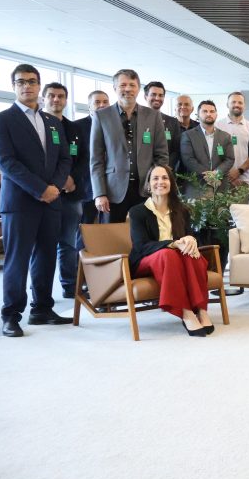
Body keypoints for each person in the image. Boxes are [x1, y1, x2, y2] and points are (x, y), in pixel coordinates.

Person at [0, 64, 73, 337]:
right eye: (21, 82)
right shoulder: (1, 120)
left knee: (47, 257)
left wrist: (54, 187)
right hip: (20, 203)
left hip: (51, 201)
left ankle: (42, 309)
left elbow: (64, 159)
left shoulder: (52, 122)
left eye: (32, 81)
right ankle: (11, 315)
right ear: (13, 86)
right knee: (18, 260)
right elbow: (7, 163)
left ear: (39, 85)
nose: (27, 86)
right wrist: (40, 189)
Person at [128, 165, 215, 336]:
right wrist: (173, 244)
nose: (160, 182)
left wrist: (191, 240)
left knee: (193, 254)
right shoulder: (137, 212)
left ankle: (201, 309)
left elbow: (188, 235)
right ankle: (185, 312)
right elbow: (140, 246)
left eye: (165, 178)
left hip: (174, 259)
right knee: (168, 254)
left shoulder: (181, 210)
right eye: (155, 178)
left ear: (171, 183)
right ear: (148, 184)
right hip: (145, 261)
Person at [90, 69, 169, 223]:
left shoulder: (153, 116)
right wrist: (99, 193)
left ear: (138, 89)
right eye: (123, 85)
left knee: (146, 234)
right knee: (112, 236)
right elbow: (96, 159)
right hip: (113, 191)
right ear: (115, 88)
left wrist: (157, 185)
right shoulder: (102, 116)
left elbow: (161, 155)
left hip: (145, 189)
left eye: (132, 85)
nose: (127, 89)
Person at [40, 82, 84, 301]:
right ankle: (41, 295)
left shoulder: (74, 128)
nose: (56, 99)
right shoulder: (36, 124)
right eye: (51, 95)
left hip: (71, 194)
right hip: (43, 194)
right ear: (44, 98)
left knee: (68, 242)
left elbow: (82, 158)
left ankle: (69, 285)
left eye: (60, 96)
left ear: (66, 100)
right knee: (44, 245)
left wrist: (72, 179)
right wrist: (56, 182)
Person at [179, 100, 235, 197]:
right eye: (205, 111)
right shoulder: (188, 135)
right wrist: (209, 176)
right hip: (197, 186)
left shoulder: (225, 136)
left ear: (216, 114)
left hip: (220, 186)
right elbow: (188, 159)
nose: (209, 114)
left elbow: (229, 159)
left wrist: (216, 173)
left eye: (212, 111)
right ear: (198, 115)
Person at [74, 90, 110, 230]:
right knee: (85, 229)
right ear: (89, 106)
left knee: (108, 229)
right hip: (86, 187)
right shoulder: (77, 126)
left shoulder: (116, 126)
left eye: (105, 102)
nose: (102, 105)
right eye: (97, 102)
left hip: (111, 187)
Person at [217, 91, 249, 188]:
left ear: (244, 106)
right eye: (233, 102)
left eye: (240, 102)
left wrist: (239, 172)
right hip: (221, 180)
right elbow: (215, 153)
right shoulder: (217, 126)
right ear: (227, 104)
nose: (236, 105)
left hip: (244, 181)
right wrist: (227, 173)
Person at [144, 81, 183, 172]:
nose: (157, 98)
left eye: (161, 95)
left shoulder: (172, 122)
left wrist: (164, 167)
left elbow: (176, 150)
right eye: (153, 94)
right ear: (145, 97)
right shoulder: (137, 120)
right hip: (142, 171)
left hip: (165, 171)